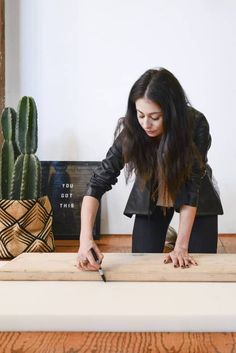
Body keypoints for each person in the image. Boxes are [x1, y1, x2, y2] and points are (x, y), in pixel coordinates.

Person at [76, 67, 223, 271]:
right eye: (140, 114)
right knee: (143, 262)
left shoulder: (195, 124)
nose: (146, 124)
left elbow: (192, 186)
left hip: (194, 196)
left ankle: (175, 241)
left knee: (198, 265)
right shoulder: (132, 131)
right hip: (152, 195)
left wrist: (181, 246)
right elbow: (97, 183)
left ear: (172, 113)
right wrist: (85, 240)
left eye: (155, 117)